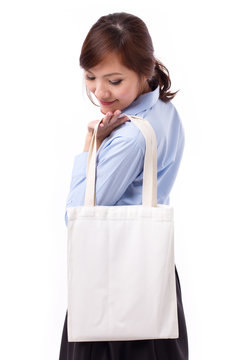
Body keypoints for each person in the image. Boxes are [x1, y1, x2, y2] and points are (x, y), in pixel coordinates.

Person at [59, 11, 189, 360]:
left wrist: (91, 144)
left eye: (114, 80)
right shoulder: (165, 109)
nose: (99, 91)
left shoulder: (129, 137)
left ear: (144, 72)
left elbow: (75, 218)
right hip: (153, 272)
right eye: (90, 77)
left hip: (112, 281)